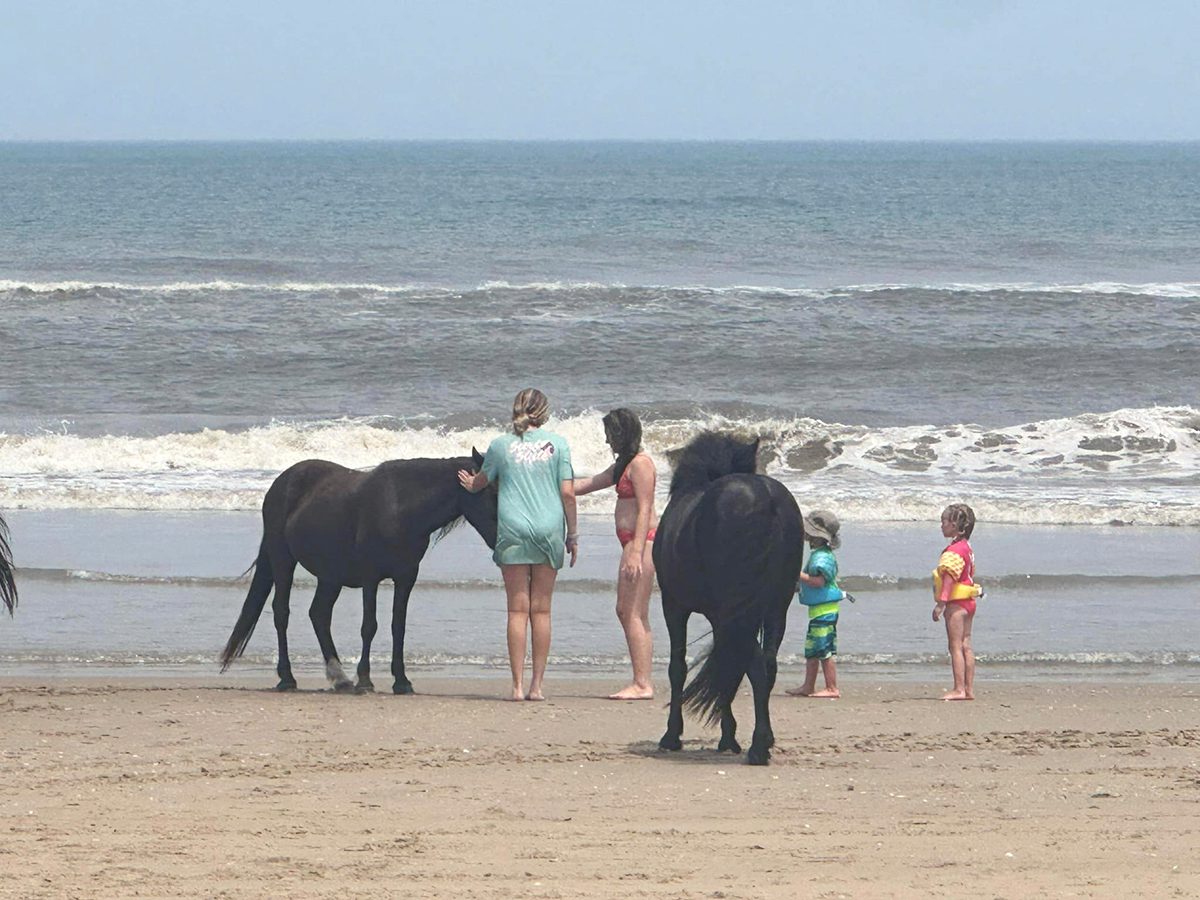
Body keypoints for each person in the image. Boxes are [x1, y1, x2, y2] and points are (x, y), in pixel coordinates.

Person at [458, 389, 577, 701]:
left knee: (516, 610)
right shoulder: (558, 444)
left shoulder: (500, 445)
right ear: (544, 411)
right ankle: (537, 687)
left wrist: (470, 484)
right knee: (542, 611)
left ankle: (516, 686)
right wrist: (573, 534)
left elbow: (481, 482)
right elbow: (567, 493)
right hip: (549, 529)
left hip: (513, 529)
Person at [572, 408, 657, 700]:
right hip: (632, 543)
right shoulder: (624, 465)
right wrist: (553, 484)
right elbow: (588, 484)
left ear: (623, 434)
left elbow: (645, 508)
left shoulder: (642, 464)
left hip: (641, 543)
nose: (608, 441)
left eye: (611, 434)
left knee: (631, 611)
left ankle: (642, 683)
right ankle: (641, 680)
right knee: (629, 611)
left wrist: (635, 552)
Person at [786, 510, 844, 699]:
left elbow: (818, 582)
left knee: (824, 650)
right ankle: (808, 685)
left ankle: (832, 687)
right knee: (812, 650)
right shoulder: (819, 553)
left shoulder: (822, 558)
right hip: (818, 611)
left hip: (825, 611)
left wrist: (795, 572)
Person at [932, 503, 981, 701]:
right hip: (969, 603)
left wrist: (941, 604)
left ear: (954, 525)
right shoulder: (967, 548)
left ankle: (959, 688)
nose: (941, 526)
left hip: (956, 605)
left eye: (943, 522)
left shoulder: (953, 552)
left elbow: (949, 580)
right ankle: (968, 689)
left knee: (955, 646)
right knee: (966, 645)